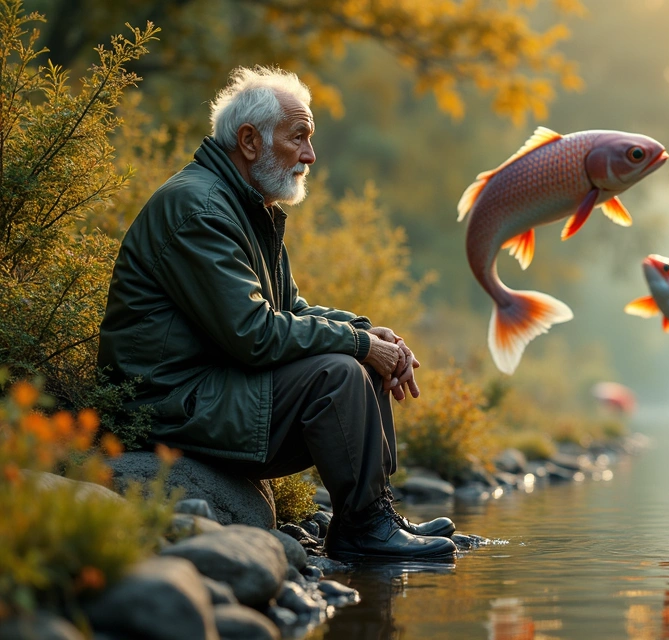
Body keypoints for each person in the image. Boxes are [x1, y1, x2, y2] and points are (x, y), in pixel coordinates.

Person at [98, 66, 457, 561]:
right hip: (165, 403)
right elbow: (253, 333)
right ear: (249, 141)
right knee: (338, 372)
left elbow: (291, 311)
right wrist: (357, 345)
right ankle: (363, 530)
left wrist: (368, 333)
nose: (310, 155)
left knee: (362, 357)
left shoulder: (247, 206)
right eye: (300, 137)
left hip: (208, 387)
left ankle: (371, 514)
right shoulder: (199, 209)